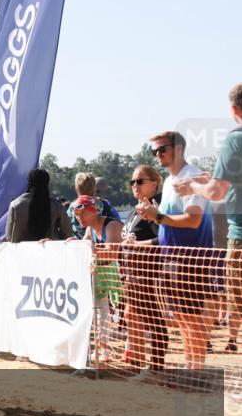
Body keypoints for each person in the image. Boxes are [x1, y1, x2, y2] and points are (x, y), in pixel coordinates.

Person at [174, 82, 242, 353]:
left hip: (240, 238)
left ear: (234, 109)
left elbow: (216, 192)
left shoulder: (235, 138)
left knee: (237, 302)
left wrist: (192, 187)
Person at [137, 131, 214, 370]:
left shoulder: (191, 177)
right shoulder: (170, 181)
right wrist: (154, 215)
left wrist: (157, 215)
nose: (157, 155)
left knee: (192, 318)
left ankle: (196, 371)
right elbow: (170, 219)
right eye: (154, 151)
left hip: (191, 257)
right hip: (172, 257)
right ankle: (191, 369)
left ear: (178, 149)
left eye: (162, 149)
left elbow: (193, 220)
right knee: (181, 317)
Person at [120, 165, 167, 377]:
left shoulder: (156, 207)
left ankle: (155, 367)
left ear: (154, 183)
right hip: (132, 274)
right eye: (132, 182)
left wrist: (138, 245)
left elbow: (164, 239)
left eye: (140, 181)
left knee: (153, 319)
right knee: (131, 314)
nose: (134, 185)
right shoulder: (134, 210)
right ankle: (138, 362)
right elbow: (128, 239)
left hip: (149, 273)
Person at [72, 195, 124, 363]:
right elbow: (84, 247)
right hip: (99, 270)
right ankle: (101, 347)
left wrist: (89, 249)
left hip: (120, 272)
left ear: (94, 211)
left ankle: (107, 348)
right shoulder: (90, 229)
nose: (78, 218)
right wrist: (70, 244)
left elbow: (113, 252)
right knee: (100, 311)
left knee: (108, 312)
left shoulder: (112, 225)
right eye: (77, 215)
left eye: (82, 214)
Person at [4, 169, 74, 243]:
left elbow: (9, 236)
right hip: (50, 251)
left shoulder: (15, 205)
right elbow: (68, 233)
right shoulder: (57, 206)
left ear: (29, 183)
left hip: (22, 251)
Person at [68, 172, 121, 238]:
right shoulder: (105, 204)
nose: (80, 217)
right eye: (78, 214)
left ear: (77, 190)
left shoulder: (72, 208)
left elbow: (68, 228)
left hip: (83, 244)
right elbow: (118, 222)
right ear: (95, 189)